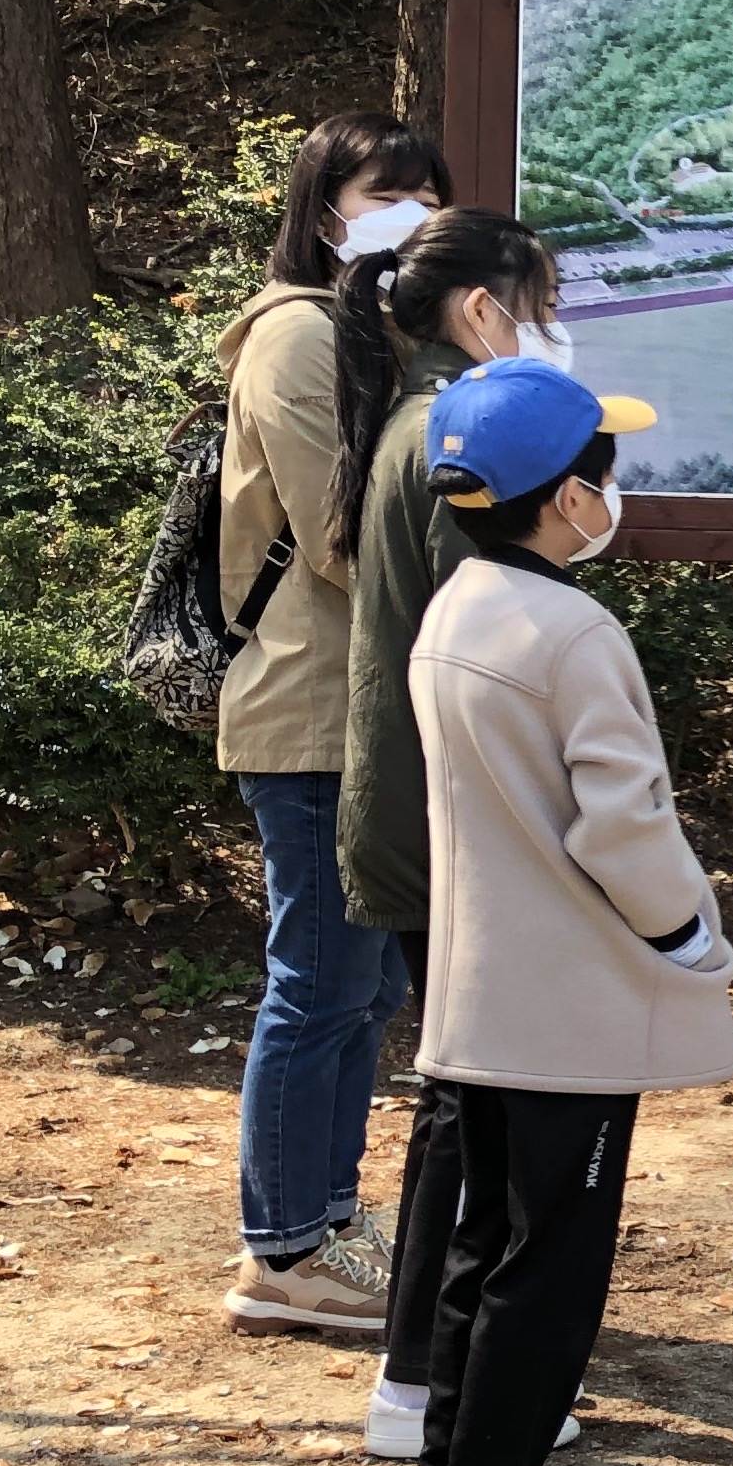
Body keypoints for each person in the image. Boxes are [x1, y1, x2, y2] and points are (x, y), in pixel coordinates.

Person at [378, 360, 733, 1466]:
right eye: (602, 470)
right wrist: (693, 939)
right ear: (567, 495)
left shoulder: (457, 607)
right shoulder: (574, 633)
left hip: (480, 999)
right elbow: (625, 826)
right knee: (550, 1280)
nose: (611, 491)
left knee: (484, 1259)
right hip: (570, 1008)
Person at [329, 208, 572, 1460]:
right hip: (452, 819)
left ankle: (432, 1375)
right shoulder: (453, 438)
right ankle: (428, 1380)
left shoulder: (416, 420)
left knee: (458, 1095)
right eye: (535, 303)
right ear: (484, 311)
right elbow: (498, 637)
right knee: (467, 1102)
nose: (546, 329)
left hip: (423, 808)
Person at [217, 112, 451, 1339]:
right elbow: (339, 536)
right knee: (318, 984)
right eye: (385, 191)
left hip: (373, 706)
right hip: (314, 707)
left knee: (360, 992)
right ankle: (281, 1250)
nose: (409, 208)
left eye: (427, 191)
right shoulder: (298, 336)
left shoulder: (376, 336)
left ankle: (324, 1217)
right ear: (325, 212)